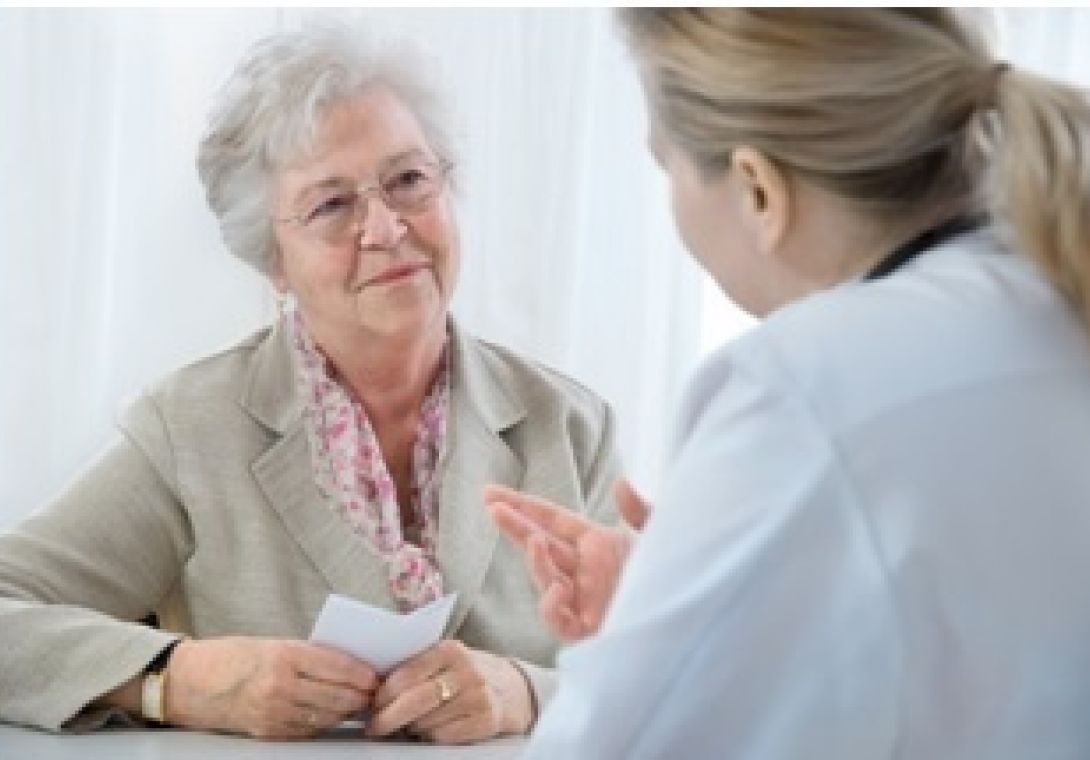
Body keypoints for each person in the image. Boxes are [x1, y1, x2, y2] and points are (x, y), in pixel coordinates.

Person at [487, 8, 1090, 758]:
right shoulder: (1052, 288)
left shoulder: (805, 384)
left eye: (665, 166)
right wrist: (727, 616)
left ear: (758, 189)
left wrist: (680, 635)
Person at [0, 26, 620, 744]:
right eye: (331, 206)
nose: (387, 227)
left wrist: (528, 692)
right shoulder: (190, 429)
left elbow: (661, 666)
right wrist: (178, 681)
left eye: (409, 181)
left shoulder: (570, 425)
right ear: (274, 263)